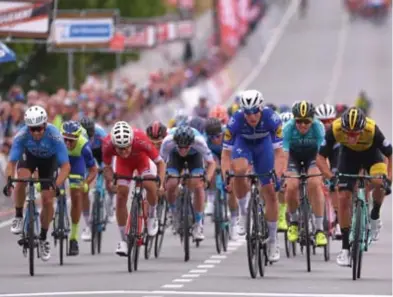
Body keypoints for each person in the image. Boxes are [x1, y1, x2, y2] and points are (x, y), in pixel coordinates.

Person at [317, 107, 392, 266]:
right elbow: (320, 157)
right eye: (348, 133)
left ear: (362, 128)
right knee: (343, 197)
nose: (351, 136)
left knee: (379, 183)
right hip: (349, 158)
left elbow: (390, 155)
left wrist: (389, 179)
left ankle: (375, 215)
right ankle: (345, 248)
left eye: (355, 133)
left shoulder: (372, 129)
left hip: (372, 156)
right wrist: (331, 177)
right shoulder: (335, 129)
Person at [221, 89, 285, 262]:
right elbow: (226, 155)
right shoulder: (235, 121)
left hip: (264, 147)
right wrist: (226, 174)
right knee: (239, 172)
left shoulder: (272, 118)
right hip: (244, 144)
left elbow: (280, 153)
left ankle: (272, 239)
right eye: (247, 112)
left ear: (261, 108)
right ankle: (243, 212)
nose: (252, 116)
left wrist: (278, 174)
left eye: (255, 111)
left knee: (270, 192)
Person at [3, 105, 71, 261]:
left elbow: (66, 167)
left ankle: (43, 237)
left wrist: (57, 183)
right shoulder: (22, 135)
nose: (36, 133)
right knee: (21, 181)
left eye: (39, 128)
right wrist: (9, 180)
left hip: (49, 161)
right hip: (29, 158)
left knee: (48, 200)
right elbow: (12, 163)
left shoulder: (55, 136)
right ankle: (19, 216)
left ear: (45, 125)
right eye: (32, 129)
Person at [102, 121, 166, 256]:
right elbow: (107, 168)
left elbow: (160, 163)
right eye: (120, 149)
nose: (124, 151)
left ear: (131, 141)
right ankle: (124, 240)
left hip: (142, 161)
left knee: (150, 185)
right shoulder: (107, 145)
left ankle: (152, 216)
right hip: (123, 165)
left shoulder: (141, 139)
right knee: (121, 196)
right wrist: (110, 182)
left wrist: (160, 184)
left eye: (127, 147)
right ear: (114, 145)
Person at [282, 101, 328, 247]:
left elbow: (323, 154)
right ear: (293, 119)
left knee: (314, 183)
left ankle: (320, 229)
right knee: (291, 186)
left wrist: (325, 174)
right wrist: (284, 174)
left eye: (306, 121)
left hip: (313, 157)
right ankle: (294, 222)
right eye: (299, 121)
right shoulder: (287, 128)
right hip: (293, 158)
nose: (302, 125)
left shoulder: (318, 127)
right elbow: (283, 154)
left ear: (312, 120)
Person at [161, 125, 216, 241]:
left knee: (198, 185)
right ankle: (174, 213)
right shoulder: (168, 142)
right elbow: (161, 163)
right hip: (174, 158)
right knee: (171, 183)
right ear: (175, 142)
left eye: (186, 147)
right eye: (180, 147)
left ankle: (198, 224)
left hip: (195, 157)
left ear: (191, 143)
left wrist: (207, 179)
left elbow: (212, 163)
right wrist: (162, 183)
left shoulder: (199, 142)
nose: (183, 150)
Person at [60, 121, 98, 255]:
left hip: (77, 161)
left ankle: (73, 238)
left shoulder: (84, 146)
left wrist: (86, 183)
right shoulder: (57, 142)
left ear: (78, 138)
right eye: (66, 140)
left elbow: (94, 170)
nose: (68, 144)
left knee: (76, 196)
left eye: (72, 141)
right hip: (61, 159)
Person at [204, 118, 239, 238]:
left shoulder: (229, 136)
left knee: (232, 185)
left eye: (218, 136)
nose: (215, 140)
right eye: (212, 137)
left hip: (228, 154)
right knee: (212, 169)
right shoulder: (205, 140)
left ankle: (234, 221)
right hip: (214, 156)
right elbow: (206, 158)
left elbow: (233, 157)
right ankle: (212, 196)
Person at [79, 117, 112, 240]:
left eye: (91, 135)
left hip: (101, 153)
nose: (90, 137)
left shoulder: (101, 133)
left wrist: (106, 167)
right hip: (86, 154)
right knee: (83, 188)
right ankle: (88, 225)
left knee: (108, 177)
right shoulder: (78, 136)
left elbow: (109, 153)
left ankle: (109, 202)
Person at [315, 103, 341, 238]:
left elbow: (337, 157)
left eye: (330, 121)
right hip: (317, 157)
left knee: (336, 184)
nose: (327, 124)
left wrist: (332, 174)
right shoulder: (313, 131)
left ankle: (337, 220)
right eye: (323, 121)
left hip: (334, 155)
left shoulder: (337, 132)